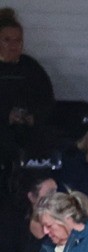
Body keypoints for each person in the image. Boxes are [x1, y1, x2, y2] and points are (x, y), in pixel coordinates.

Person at [0, 9, 54, 158]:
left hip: (28, 129)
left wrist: (33, 117)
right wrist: (6, 116)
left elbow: (47, 99)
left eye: (18, 40)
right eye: (7, 40)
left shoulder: (31, 67)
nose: (13, 45)